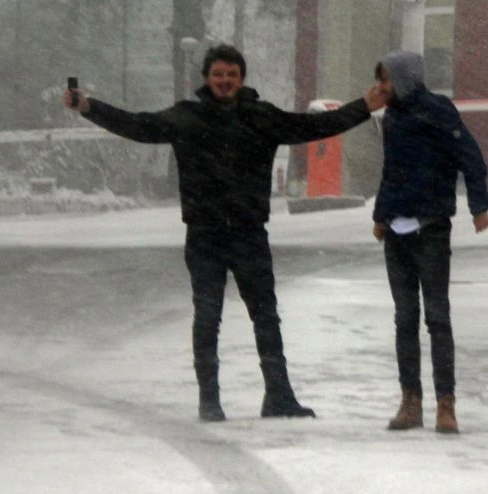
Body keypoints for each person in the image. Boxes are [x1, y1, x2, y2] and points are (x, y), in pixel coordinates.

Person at [65, 43, 384, 422]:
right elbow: (138, 126)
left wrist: (364, 106)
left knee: (266, 316)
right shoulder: (186, 117)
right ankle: (210, 401)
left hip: (249, 232)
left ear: (241, 78)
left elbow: (312, 126)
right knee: (208, 315)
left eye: (231, 74)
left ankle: (279, 397)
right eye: (218, 74)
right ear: (206, 79)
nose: (225, 81)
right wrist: (89, 107)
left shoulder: (260, 117)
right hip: (205, 235)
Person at [371, 51, 488, 435]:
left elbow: (469, 156)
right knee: (404, 318)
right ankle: (411, 401)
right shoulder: (391, 117)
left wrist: (479, 206)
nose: (381, 87)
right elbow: (391, 171)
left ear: (405, 78)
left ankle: (446, 404)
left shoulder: (438, 111)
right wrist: (380, 214)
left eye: (386, 79)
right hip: (396, 230)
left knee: (437, 318)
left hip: (432, 228)